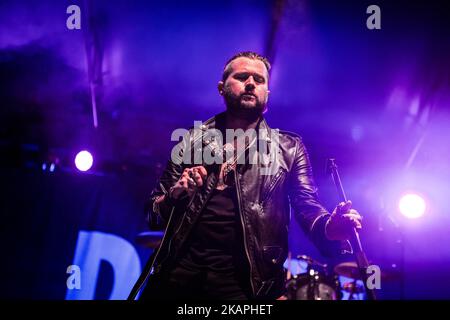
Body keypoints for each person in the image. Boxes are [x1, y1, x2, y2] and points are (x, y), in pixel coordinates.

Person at [129, 51, 362, 300]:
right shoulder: (192, 139)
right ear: (222, 87)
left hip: (247, 287)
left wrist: (331, 227)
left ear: (267, 94)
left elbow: (308, 207)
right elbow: (153, 215)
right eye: (242, 76)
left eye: (259, 80)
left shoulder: (289, 148)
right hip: (176, 281)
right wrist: (175, 196)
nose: (251, 83)